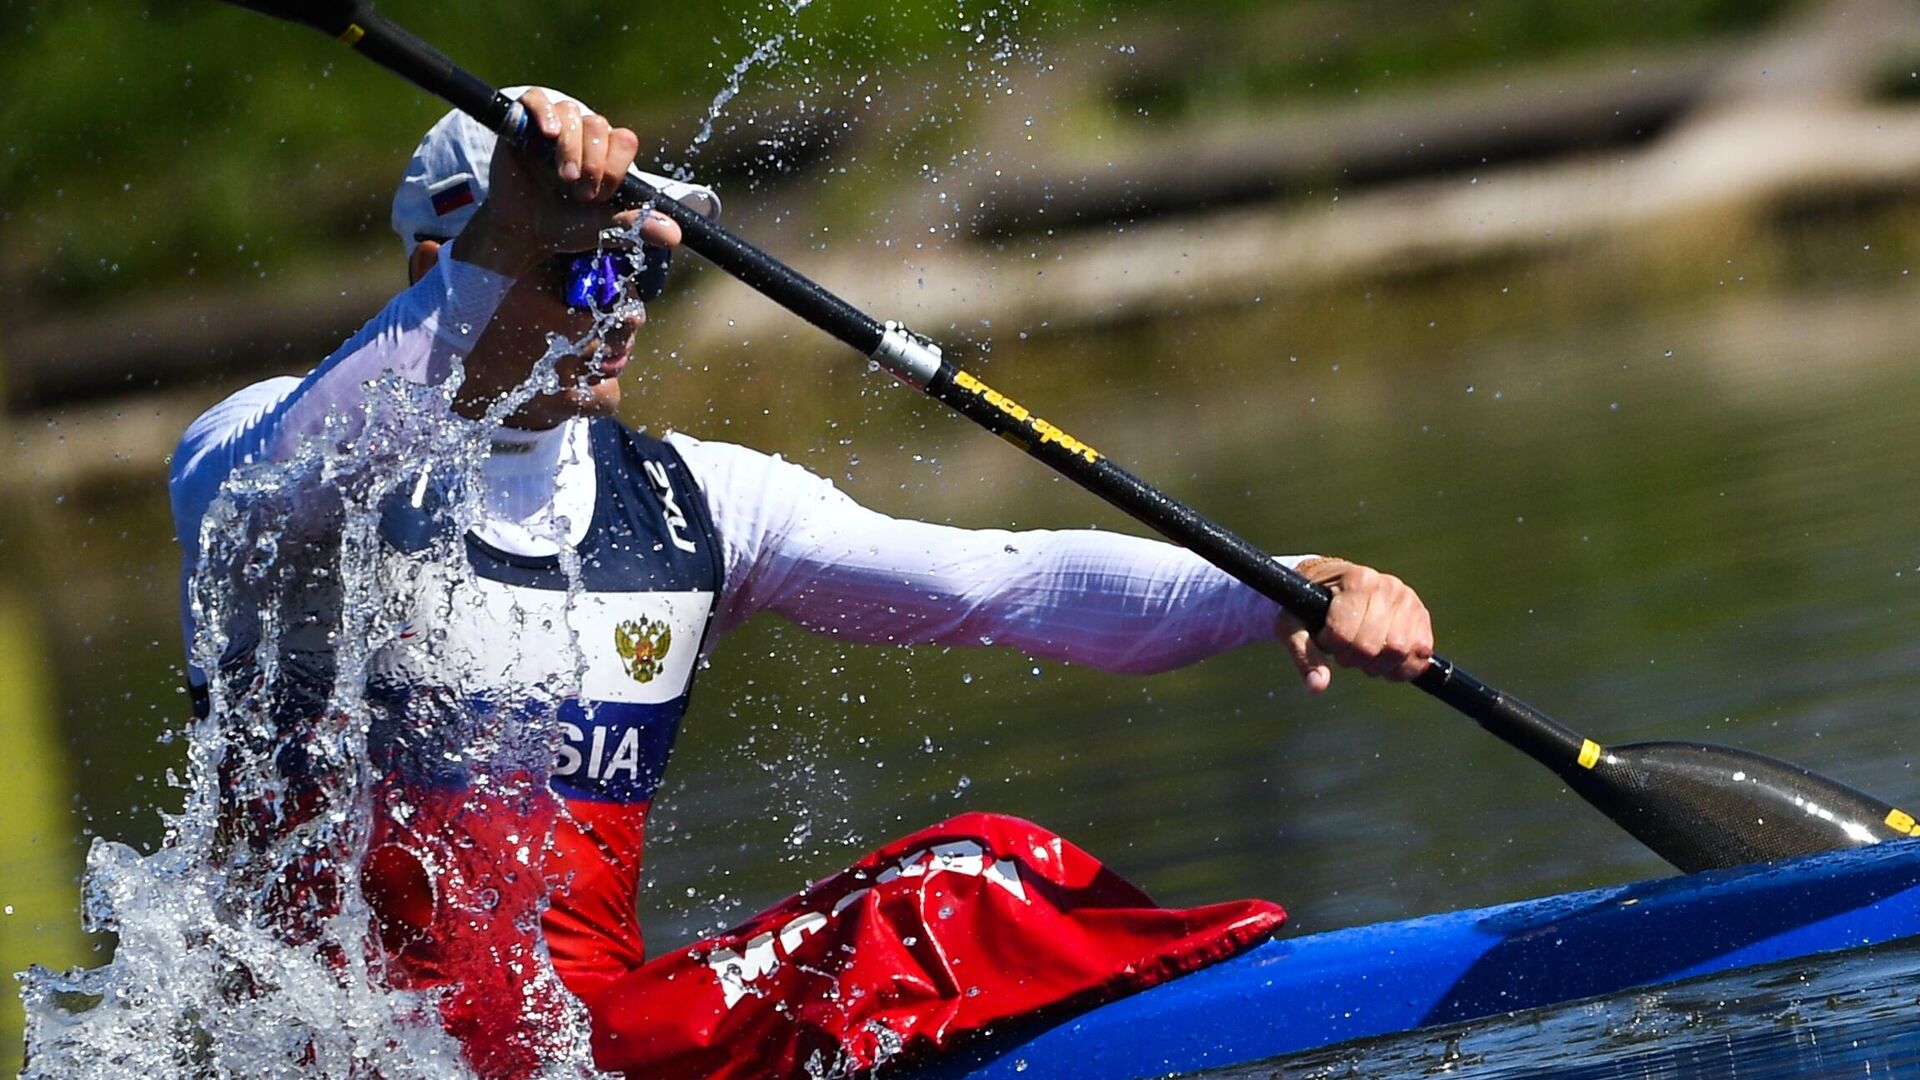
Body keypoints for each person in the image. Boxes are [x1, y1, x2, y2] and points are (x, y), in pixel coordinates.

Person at [168, 88, 1435, 1079]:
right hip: (323, 1058)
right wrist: (511, 234)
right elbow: (290, 471)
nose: (614, 308)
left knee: (982, 884)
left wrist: (1281, 586)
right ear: (431, 274)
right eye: (574, 268)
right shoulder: (269, 465)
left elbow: (1007, 582)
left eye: (639, 268)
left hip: (595, 1059)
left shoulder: (698, 504)